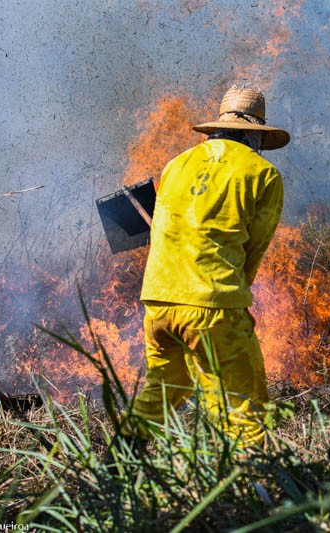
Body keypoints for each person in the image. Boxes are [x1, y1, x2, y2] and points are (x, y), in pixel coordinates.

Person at [124, 85, 289, 448]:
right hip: (212, 306)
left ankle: (115, 465)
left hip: (158, 303)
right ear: (255, 135)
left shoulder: (176, 163)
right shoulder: (263, 174)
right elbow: (253, 252)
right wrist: (235, 303)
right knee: (244, 410)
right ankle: (252, 492)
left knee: (165, 389)